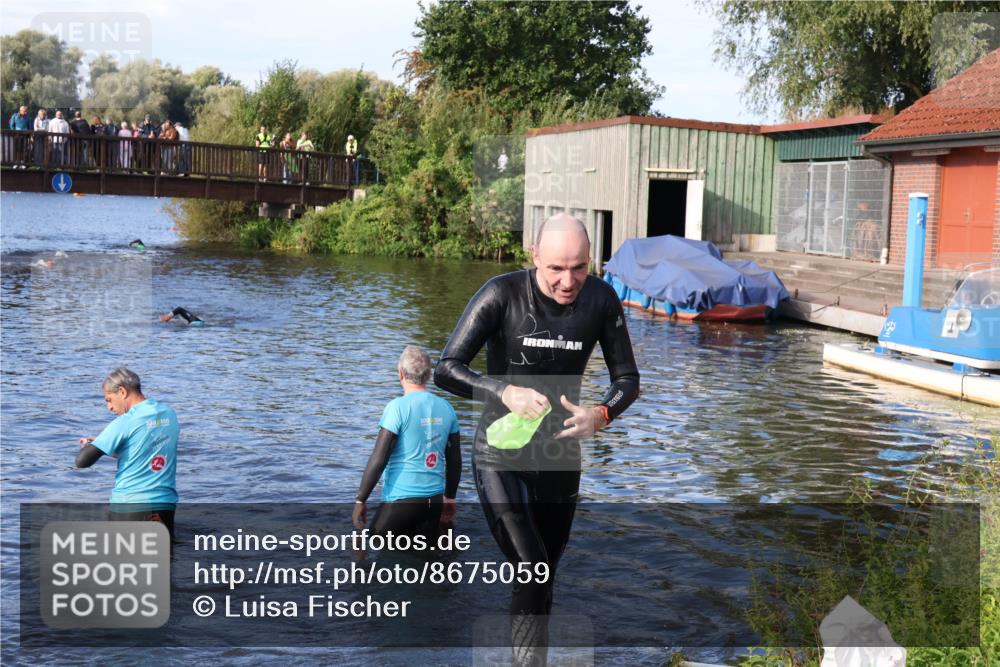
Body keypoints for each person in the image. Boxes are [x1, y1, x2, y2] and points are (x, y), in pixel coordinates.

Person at [434, 212, 640, 666]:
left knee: (543, 575)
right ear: (534, 258)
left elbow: (627, 377)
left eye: (580, 268)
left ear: (591, 261)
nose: (569, 281)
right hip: (500, 454)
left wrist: (601, 414)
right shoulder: (501, 294)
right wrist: (502, 390)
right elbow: (446, 368)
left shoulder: (602, 301)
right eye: (556, 269)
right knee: (532, 566)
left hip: (560, 456)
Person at [353, 346, 461, 538]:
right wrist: (450, 498)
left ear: (400, 373)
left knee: (367, 549)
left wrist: (361, 499)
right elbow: (455, 460)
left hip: (400, 502)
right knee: (426, 561)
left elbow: (379, 459)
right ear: (428, 375)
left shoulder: (397, 408)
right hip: (433, 503)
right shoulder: (447, 408)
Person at [76, 368, 179, 538]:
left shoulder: (126, 421)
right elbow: (145, 451)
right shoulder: (169, 414)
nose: (109, 407)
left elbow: (82, 461)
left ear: (122, 391)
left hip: (130, 506)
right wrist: (105, 446)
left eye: (109, 400)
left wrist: (97, 445)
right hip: (165, 504)